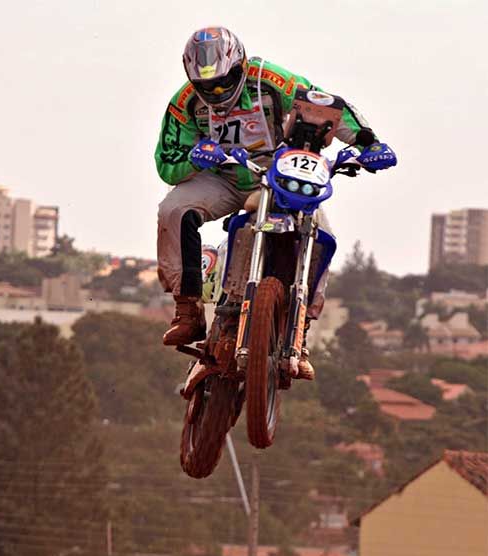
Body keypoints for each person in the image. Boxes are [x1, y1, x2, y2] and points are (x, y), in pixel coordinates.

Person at [155, 27, 396, 378]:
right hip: (223, 175)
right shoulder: (185, 103)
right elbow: (166, 164)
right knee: (172, 209)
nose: (218, 92)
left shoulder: (272, 80)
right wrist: (195, 157)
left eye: (226, 81)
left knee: (322, 235)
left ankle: (300, 332)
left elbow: (325, 106)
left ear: (240, 65)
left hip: (278, 174)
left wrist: (367, 142)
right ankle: (187, 309)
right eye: (208, 87)